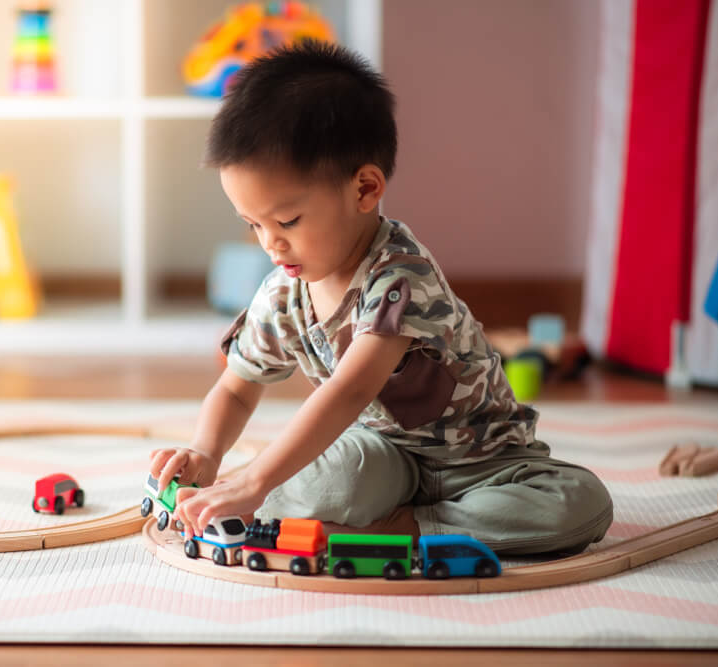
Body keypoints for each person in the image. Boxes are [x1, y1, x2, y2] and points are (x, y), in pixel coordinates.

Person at [149, 40, 612, 556]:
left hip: (483, 467)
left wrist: (255, 482)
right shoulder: (283, 289)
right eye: (253, 224)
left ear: (366, 189)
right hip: (379, 456)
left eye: (287, 221)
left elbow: (348, 390)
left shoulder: (401, 276)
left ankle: (407, 527)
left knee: (582, 503)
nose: (270, 243)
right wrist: (206, 453)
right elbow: (237, 389)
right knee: (324, 479)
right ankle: (368, 513)